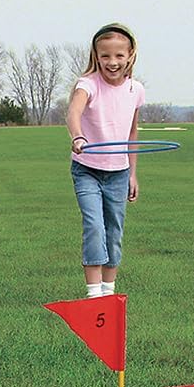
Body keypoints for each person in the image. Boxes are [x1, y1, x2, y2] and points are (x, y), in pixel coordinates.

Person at [66, 23, 145, 298]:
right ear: (96, 55)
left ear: (130, 54)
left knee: (114, 230)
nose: (112, 62)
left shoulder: (136, 90)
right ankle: (93, 294)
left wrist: (133, 174)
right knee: (94, 226)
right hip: (87, 168)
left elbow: (132, 133)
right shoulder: (87, 85)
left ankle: (109, 293)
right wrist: (78, 137)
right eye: (105, 56)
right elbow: (73, 112)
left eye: (119, 56)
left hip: (119, 172)